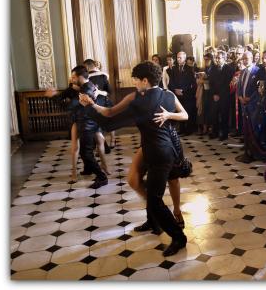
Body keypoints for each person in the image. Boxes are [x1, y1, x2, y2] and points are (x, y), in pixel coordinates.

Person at [80, 61, 188, 256]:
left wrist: (89, 107)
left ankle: (179, 237)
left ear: (145, 81)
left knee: (155, 199)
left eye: (136, 81)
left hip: (159, 153)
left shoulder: (140, 102)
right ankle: (155, 220)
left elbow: (109, 122)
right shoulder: (168, 94)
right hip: (161, 148)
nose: (135, 85)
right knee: (139, 183)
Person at [57, 65, 109, 189]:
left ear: (80, 77)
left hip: (87, 123)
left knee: (86, 153)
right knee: (86, 151)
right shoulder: (86, 86)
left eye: (74, 77)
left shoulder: (86, 89)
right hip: (86, 121)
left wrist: (57, 98)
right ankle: (93, 172)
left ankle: (102, 177)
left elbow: (71, 106)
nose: (72, 79)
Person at [83, 59, 116, 156]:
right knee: (110, 121)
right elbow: (109, 91)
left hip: (96, 103)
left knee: (98, 125)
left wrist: (98, 92)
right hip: (104, 101)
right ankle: (112, 141)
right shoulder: (103, 75)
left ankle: (101, 146)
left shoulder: (87, 77)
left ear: (87, 67)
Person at [208, 50, 235, 140]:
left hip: (224, 96)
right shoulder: (213, 68)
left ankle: (224, 134)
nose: (217, 60)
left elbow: (227, 84)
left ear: (224, 58)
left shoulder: (229, 69)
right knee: (214, 115)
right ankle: (215, 132)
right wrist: (214, 94)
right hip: (214, 96)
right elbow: (211, 83)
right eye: (216, 58)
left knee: (224, 115)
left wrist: (219, 95)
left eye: (219, 58)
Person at [169, 51, 197, 135]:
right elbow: (171, 82)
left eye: (180, 58)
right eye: (177, 57)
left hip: (187, 94)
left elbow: (192, 83)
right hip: (177, 94)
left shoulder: (189, 69)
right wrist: (175, 90)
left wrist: (183, 91)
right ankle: (181, 129)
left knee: (187, 111)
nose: (178, 59)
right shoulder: (174, 69)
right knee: (179, 111)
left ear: (184, 58)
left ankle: (188, 130)